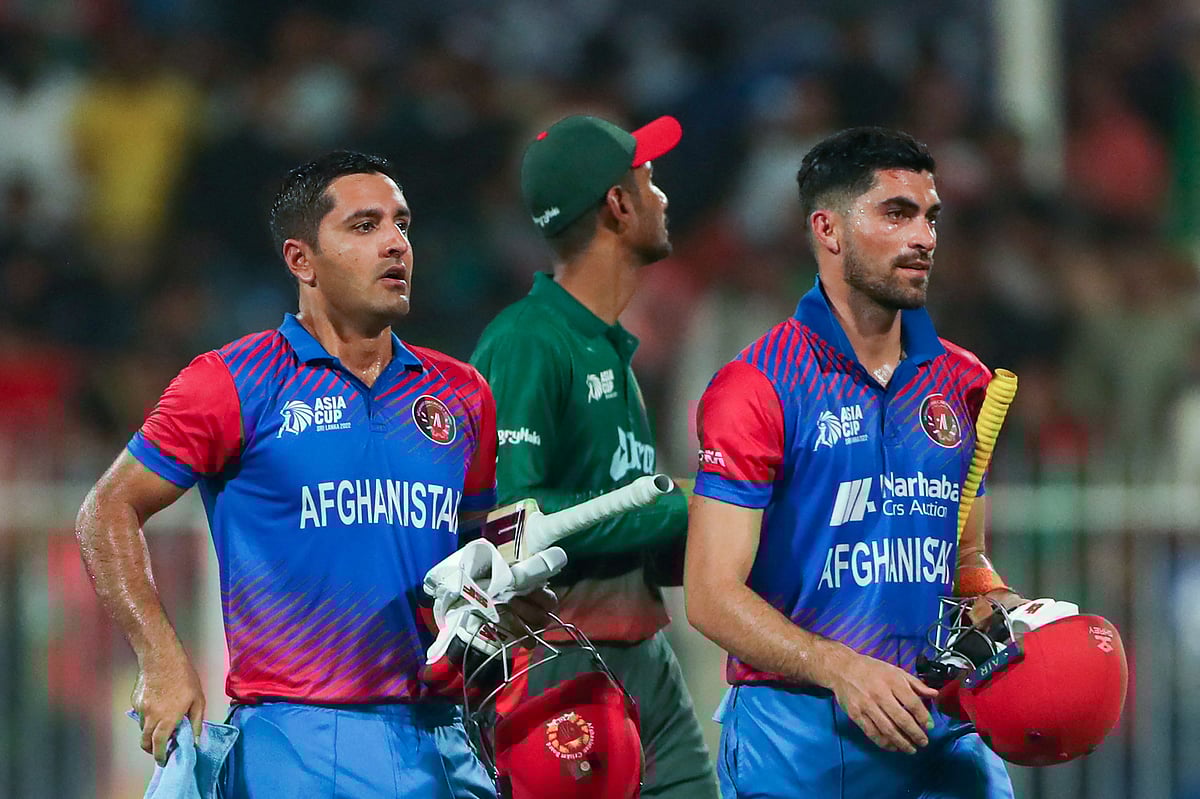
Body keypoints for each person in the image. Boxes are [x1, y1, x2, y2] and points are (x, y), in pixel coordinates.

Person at [74, 150, 502, 798]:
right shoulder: (232, 381)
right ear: (301, 259)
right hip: (296, 739)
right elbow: (106, 509)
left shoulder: (463, 395)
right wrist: (159, 654)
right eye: (364, 226)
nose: (395, 243)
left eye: (402, 224)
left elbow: (483, 551)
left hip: (445, 734)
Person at [684, 127, 1026, 798]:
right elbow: (710, 595)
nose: (925, 237)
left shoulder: (963, 381)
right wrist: (841, 667)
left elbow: (965, 558)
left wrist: (1001, 605)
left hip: (941, 725)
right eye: (897, 213)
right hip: (799, 738)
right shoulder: (757, 384)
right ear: (828, 229)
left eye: (931, 217)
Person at [469, 114, 719, 797]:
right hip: (559, 663)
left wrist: (719, 530)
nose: (662, 197)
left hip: (642, 657)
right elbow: (507, 525)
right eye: (649, 180)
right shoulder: (528, 341)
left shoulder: (606, 346)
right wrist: (683, 506)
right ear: (618, 204)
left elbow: (633, 533)